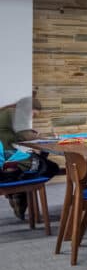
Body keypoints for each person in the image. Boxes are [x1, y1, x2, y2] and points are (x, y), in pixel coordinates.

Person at [0, 90, 48, 220]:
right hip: (6, 160)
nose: (32, 118)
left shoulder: (6, 112)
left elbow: (19, 135)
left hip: (4, 158)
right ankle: (18, 195)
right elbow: (26, 136)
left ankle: (16, 195)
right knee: (46, 166)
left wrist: (32, 133)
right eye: (33, 114)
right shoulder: (14, 113)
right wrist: (44, 135)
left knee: (33, 162)